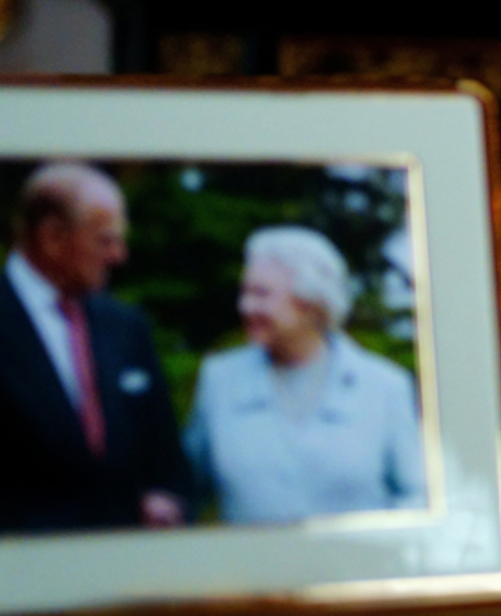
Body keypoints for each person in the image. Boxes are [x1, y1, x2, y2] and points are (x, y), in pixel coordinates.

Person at [184, 226, 427, 523]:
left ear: (311, 304)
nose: (245, 306)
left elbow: (416, 496)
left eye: (261, 294)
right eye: (245, 292)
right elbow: (185, 491)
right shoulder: (220, 380)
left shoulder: (384, 387)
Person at [0, 162, 191, 532]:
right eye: (105, 240)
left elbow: (166, 457)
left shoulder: (126, 326)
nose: (119, 256)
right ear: (52, 237)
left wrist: (166, 498)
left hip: (126, 557)